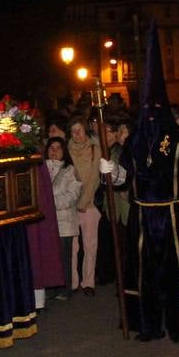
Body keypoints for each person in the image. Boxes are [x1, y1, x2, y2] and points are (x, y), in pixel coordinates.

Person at [123, 22, 179, 344]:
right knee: (145, 274)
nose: (152, 114)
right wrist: (110, 172)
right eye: (148, 109)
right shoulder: (136, 139)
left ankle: (177, 326)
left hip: (171, 216)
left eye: (157, 108)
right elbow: (124, 175)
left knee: (173, 273)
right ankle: (149, 325)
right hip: (143, 216)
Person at [25, 137, 66, 310]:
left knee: (37, 253)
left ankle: (38, 301)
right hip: (27, 217)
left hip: (36, 218)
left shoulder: (38, 166)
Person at [67, 118, 101, 296]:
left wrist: (84, 201)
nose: (77, 134)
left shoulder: (94, 149)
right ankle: (73, 282)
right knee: (73, 247)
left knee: (90, 245)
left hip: (89, 204)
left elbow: (93, 179)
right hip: (71, 205)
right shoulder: (68, 150)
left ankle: (88, 281)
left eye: (79, 130)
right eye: (73, 131)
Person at [45, 136, 81, 301]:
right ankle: (51, 288)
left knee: (64, 256)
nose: (54, 151)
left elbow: (72, 195)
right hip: (47, 222)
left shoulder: (70, 170)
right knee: (49, 256)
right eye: (51, 148)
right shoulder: (42, 169)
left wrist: (50, 203)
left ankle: (65, 288)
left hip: (64, 220)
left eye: (58, 148)